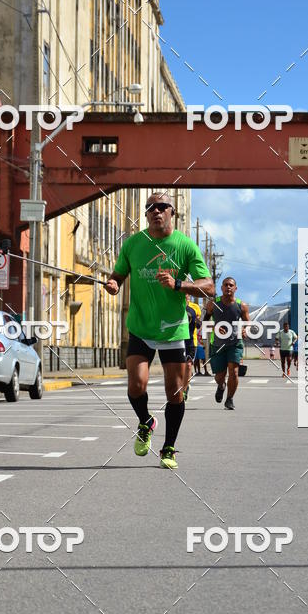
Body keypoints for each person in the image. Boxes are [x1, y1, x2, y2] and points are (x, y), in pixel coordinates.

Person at [104, 192, 214, 469]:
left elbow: (208, 286)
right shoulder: (133, 244)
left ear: (172, 213)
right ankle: (146, 422)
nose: (156, 211)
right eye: (150, 207)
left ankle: (169, 448)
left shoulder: (185, 246)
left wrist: (178, 285)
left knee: (174, 393)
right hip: (140, 326)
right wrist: (114, 284)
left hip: (173, 329)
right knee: (136, 385)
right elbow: (118, 274)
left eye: (162, 207)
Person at [204, 277, 250, 411]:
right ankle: (221, 386)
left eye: (231, 285)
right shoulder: (213, 304)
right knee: (219, 376)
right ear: (221, 288)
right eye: (226, 285)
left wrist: (244, 330)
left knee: (234, 372)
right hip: (217, 344)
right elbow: (204, 322)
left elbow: (248, 322)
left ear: (235, 288)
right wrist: (215, 327)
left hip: (235, 343)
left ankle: (229, 399)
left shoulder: (242, 305)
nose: (228, 287)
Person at [184, 294, 202, 400]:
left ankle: (184, 390)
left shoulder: (195, 307)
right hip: (177, 340)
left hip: (191, 341)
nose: (186, 296)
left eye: (187, 293)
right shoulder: (175, 305)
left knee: (188, 366)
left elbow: (199, 324)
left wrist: (197, 321)